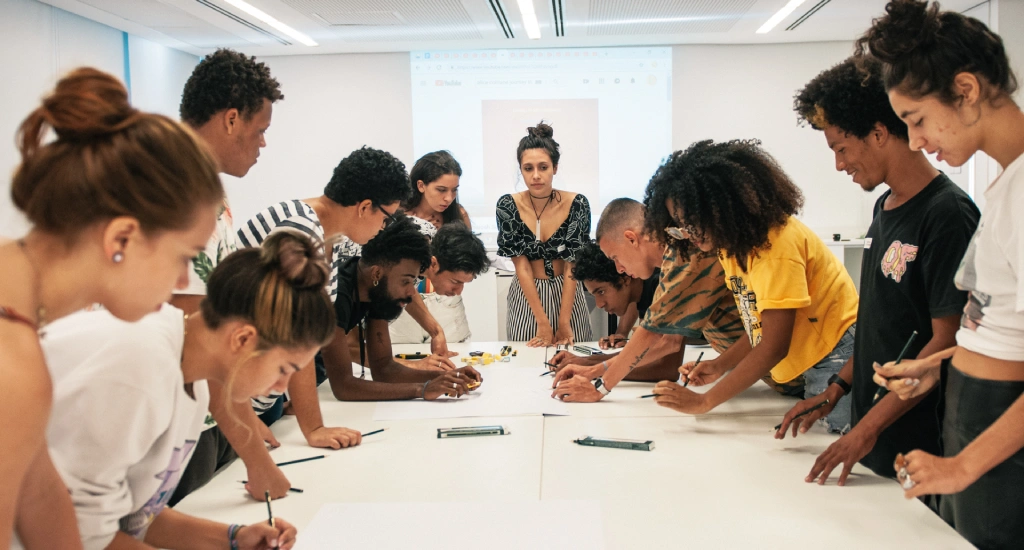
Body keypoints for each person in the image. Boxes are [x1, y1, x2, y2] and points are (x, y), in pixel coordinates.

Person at [0, 68, 223, 548]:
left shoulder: (17, 312)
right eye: (184, 257)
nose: (185, 283)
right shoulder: (12, 359)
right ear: (122, 237)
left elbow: (40, 499)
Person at [44, 231, 327, 550]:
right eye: (283, 370)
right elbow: (71, 534)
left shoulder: (194, 382)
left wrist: (233, 538)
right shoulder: (138, 363)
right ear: (243, 340)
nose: (280, 387)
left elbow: (132, 519)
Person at [861, 2, 1024, 547]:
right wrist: (939, 363)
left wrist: (961, 467)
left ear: (967, 90)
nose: (915, 141)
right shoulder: (1008, 183)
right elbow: (1004, 326)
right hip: (978, 413)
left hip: (1002, 436)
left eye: (917, 119)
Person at [776, 55, 979, 489]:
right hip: (875, 441)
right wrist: (836, 391)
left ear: (880, 134)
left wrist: (865, 430)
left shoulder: (948, 214)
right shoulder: (883, 208)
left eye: (841, 149)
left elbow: (945, 342)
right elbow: (880, 325)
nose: (839, 164)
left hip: (924, 447)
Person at [632, 140, 859, 430]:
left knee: (838, 441)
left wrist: (705, 402)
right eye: (680, 225)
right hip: (815, 357)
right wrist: (719, 365)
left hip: (837, 355)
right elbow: (759, 329)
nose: (688, 235)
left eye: (692, 222)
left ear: (725, 205)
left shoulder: (776, 248)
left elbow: (773, 345)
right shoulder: (731, 248)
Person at [168, 48, 288, 505]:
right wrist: (258, 462)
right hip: (172, 423)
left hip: (199, 417)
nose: (262, 145)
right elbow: (200, 338)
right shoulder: (179, 190)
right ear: (232, 119)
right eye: (260, 131)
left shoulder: (204, 186)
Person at [550, 198, 744, 400]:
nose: (619, 269)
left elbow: (656, 338)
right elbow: (664, 341)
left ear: (631, 238)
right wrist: (595, 369)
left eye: (615, 257)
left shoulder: (685, 253)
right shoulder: (670, 262)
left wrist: (599, 385)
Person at [322, 216, 484, 400]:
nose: (411, 293)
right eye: (406, 281)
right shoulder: (334, 296)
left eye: (414, 281)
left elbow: (384, 370)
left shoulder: (378, 291)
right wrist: (421, 390)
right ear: (376, 273)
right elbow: (344, 387)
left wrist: (444, 377)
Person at [497, 121, 593, 346]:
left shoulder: (577, 203)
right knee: (525, 362)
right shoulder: (507, 205)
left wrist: (563, 321)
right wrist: (542, 322)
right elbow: (521, 265)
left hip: (568, 294)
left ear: (555, 168)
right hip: (527, 296)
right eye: (528, 168)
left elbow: (572, 264)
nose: (536, 175)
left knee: (573, 359)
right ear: (520, 169)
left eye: (543, 167)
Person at [552, 241, 678, 382]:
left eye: (601, 291)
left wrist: (591, 368)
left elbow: (667, 368)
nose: (599, 304)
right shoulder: (645, 292)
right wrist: (585, 360)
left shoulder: (660, 285)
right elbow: (644, 355)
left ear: (624, 278)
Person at [389, 222, 490, 348]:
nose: (458, 291)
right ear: (434, 264)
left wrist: (436, 332)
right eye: (455, 282)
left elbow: (408, 292)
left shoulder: (426, 248)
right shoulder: (399, 256)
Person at [402, 150, 472, 230]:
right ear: (421, 186)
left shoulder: (460, 215)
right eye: (441, 190)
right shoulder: (396, 213)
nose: (449, 198)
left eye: (454, 189)